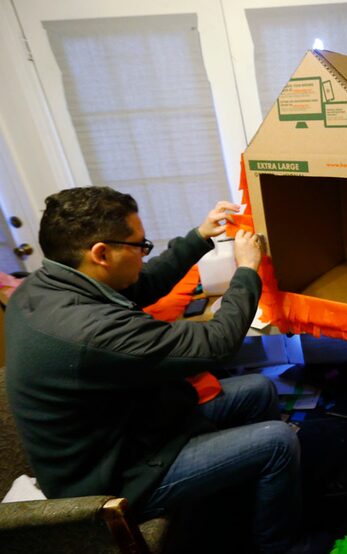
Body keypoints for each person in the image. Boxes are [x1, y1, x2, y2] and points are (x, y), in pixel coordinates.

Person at [4, 186, 302, 552]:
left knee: (259, 390)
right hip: (114, 478)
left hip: (129, 430)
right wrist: (247, 269)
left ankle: (243, 497)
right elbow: (217, 344)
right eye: (139, 247)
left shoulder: (42, 286)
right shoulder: (88, 331)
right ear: (101, 253)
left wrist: (199, 236)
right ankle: (274, 546)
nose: (145, 256)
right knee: (279, 442)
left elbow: (140, 284)